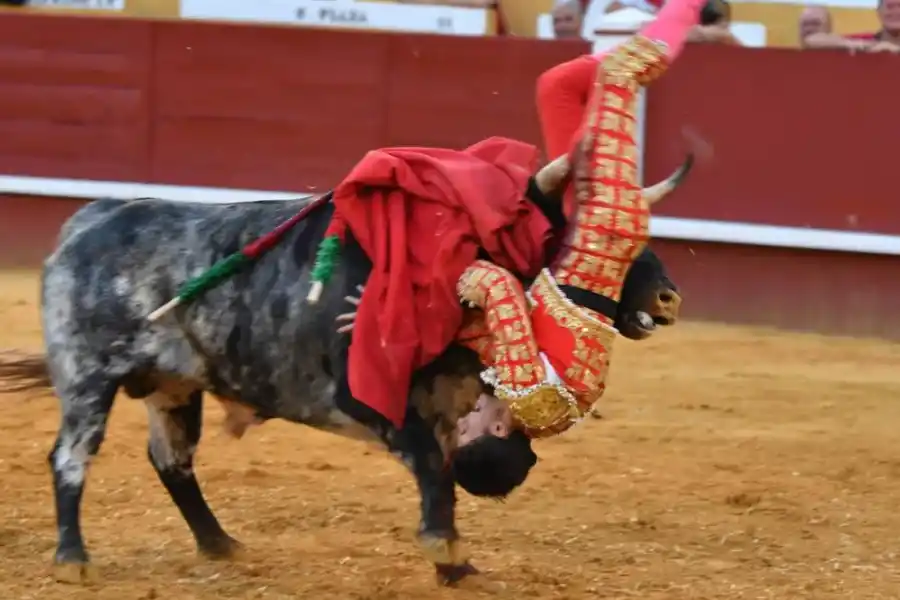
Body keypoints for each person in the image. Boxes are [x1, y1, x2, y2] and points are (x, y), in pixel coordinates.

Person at [317, 0, 712, 498]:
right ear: (497, 431)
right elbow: (497, 288)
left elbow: (486, 335)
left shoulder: (539, 410)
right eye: (468, 428)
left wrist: (390, 312)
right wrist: (444, 277)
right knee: (618, 70)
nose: (464, 416)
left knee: (559, 87)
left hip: (577, 235)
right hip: (603, 226)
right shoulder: (526, 394)